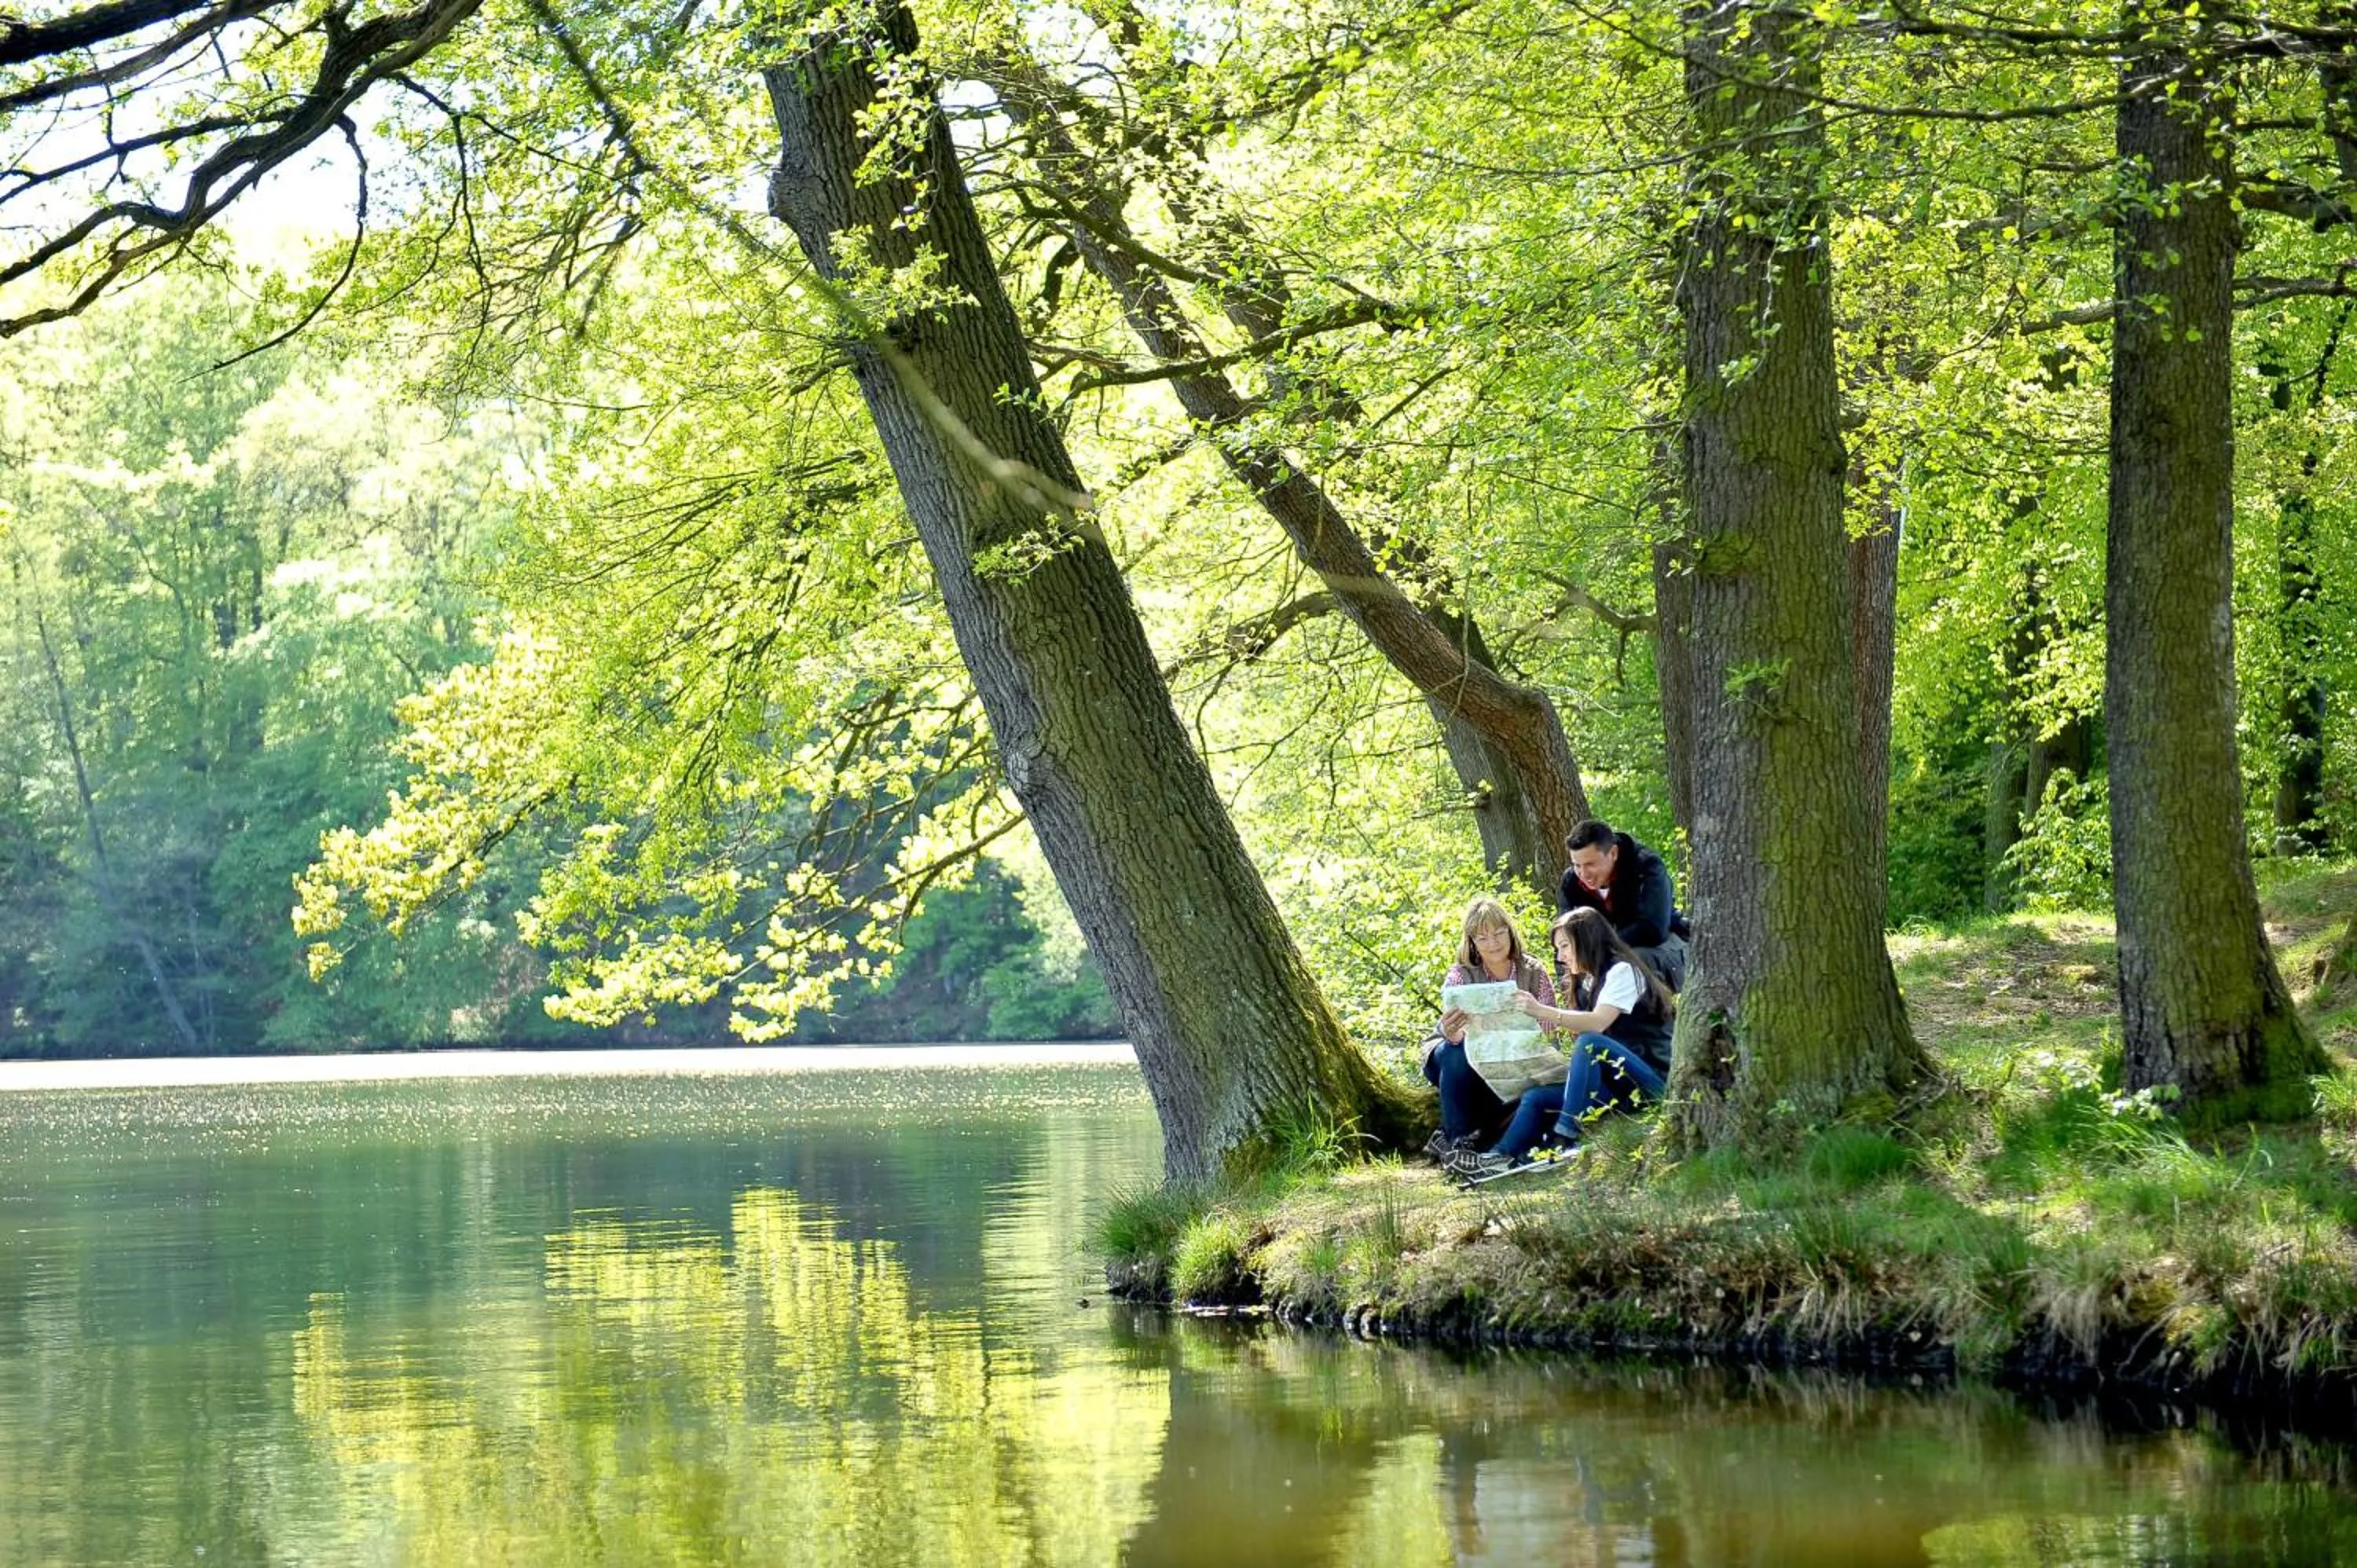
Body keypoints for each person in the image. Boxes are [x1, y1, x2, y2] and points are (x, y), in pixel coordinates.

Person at [1446, 907, 1675, 1180]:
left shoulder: (1623, 971)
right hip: (1616, 1084)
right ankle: (1499, 1156)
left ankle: (1563, 1138)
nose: (1560, 956)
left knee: (1590, 1043)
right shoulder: (1587, 982)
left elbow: (1597, 1023)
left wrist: (1541, 1011)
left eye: (1565, 946)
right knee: (1536, 1096)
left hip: (1650, 1081)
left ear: (1587, 940)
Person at [1419, 896, 1556, 1160]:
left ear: (1510, 932)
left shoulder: (1533, 971)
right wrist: (1453, 1031)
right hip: (1456, 1053)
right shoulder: (1461, 974)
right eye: (1482, 938)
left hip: (1511, 1057)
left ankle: (1465, 1141)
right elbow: (1455, 1037)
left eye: (1499, 933)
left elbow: (1547, 1032)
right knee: (1457, 1052)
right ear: (1471, 942)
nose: (1493, 943)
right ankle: (1458, 1142)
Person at [1557, 818, 1690, 991]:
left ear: (1613, 853)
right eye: (1577, 865)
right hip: (1607, 956)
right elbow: (1564, 937)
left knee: (1630, 964)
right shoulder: (1571, 882)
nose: (1583, 874)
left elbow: (1654, 930)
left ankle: (1654, 1017)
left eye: (1590, 864)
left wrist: (1600, 948)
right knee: (1578, 976)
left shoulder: (1646, 866)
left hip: (1664, 949)